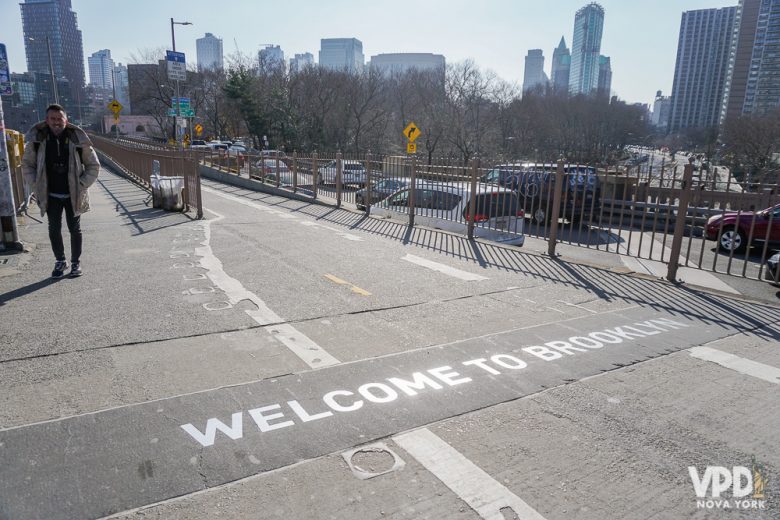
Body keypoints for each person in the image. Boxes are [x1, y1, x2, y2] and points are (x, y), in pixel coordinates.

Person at [22, 104, 100, 278]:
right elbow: (27, 165)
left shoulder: (77, 138)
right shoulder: (38, 139)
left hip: (73, 193)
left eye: (60, 119)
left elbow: (93, 165)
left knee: (75, 229)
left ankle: (75, 263)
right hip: (51, 194)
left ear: (66, 120)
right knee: (54, 229)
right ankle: (60, 261)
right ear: (47, 120)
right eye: (53, 119)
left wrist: (81, 184)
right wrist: (36, 185)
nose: (56, 122)